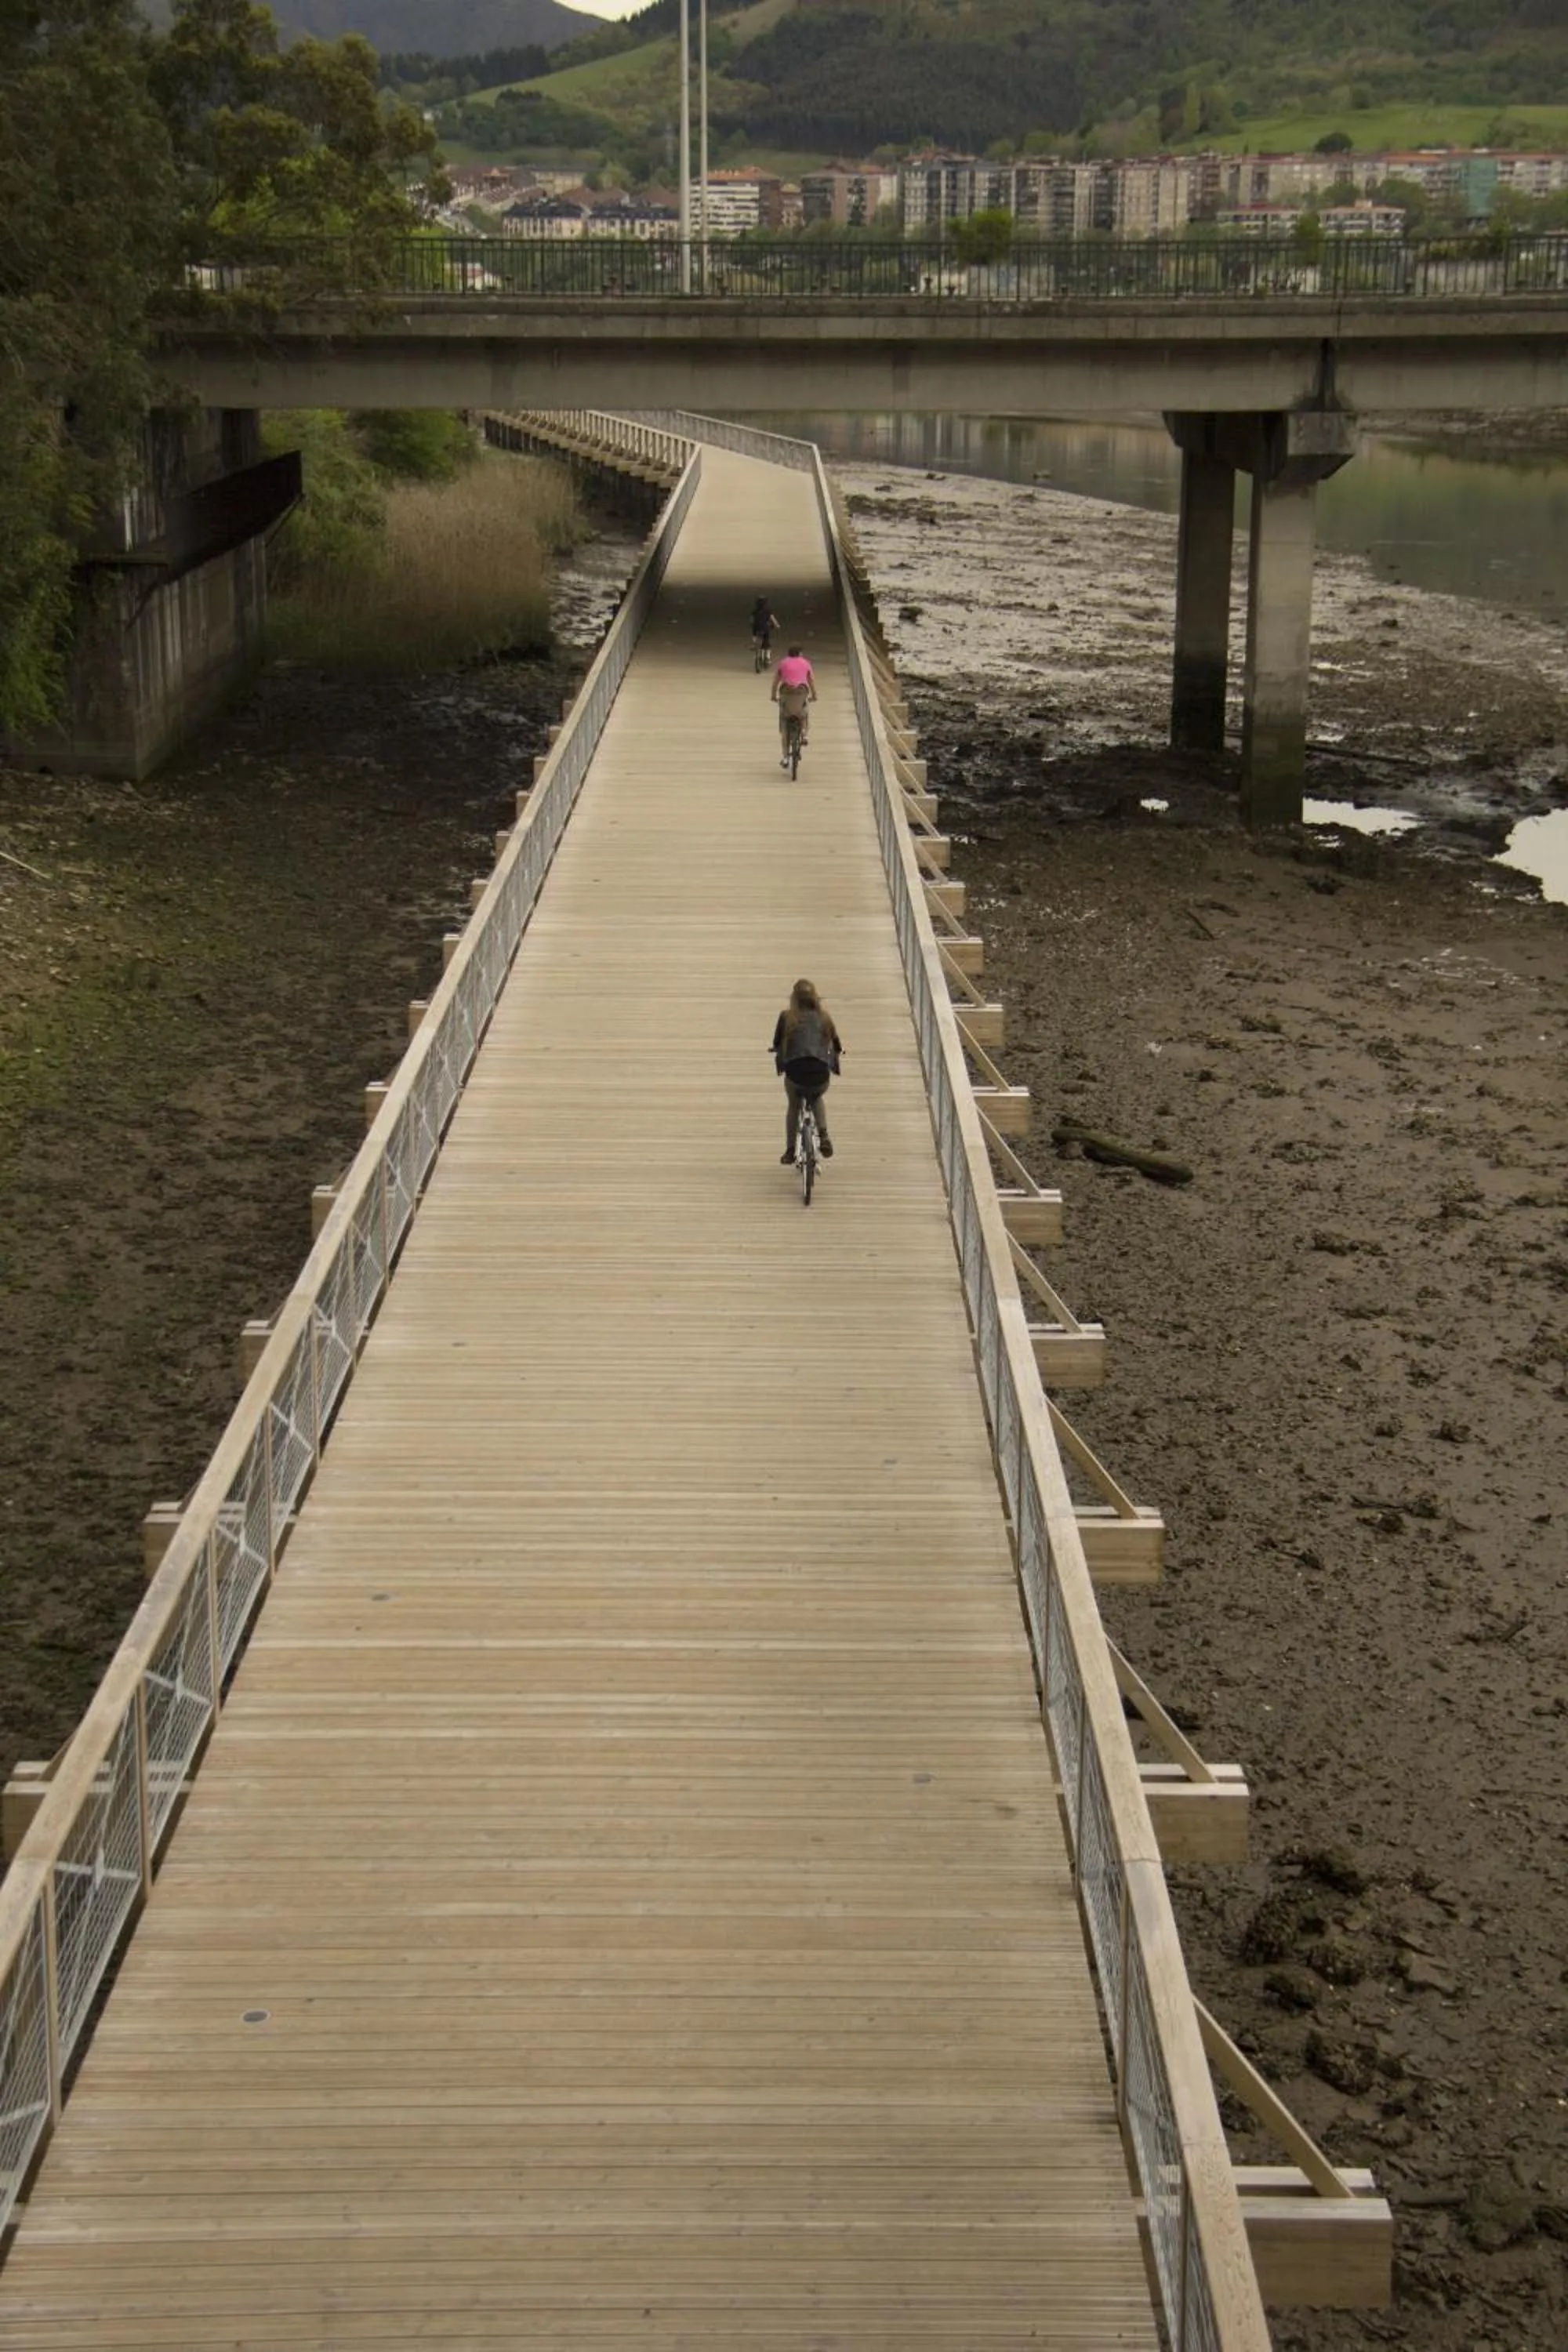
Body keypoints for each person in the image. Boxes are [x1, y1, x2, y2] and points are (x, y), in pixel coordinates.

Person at [771, 978, 842, 1163]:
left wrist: (777, 1049)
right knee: (817, 1096)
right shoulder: (824, 1017)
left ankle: (790, 1151)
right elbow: (836, 1043)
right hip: (819, 1072)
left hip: (796, 1072)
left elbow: (777, 1043)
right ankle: (824, 1135)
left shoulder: (786, 1017)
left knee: (794, 1105)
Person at [771, 644, 816, 767]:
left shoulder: (783, 663)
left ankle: (785, 758)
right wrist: (815, 696)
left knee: (785, 725)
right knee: (804, 712)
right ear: (800, 653)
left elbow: (776, 682)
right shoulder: (806, 663)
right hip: (801, 695)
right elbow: (811, 681)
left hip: (786, 696)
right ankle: (804, 733)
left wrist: (773, 696)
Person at [750, 596, 779, 665]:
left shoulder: (754, 611)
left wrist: (752, 624)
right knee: (767, 644)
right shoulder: (768, 611)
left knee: (754, 635)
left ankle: (754, 643)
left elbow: (751, 620)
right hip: (765, 628)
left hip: (756, 628)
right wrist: (776, 625)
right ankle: (768, 658)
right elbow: (772, 619)